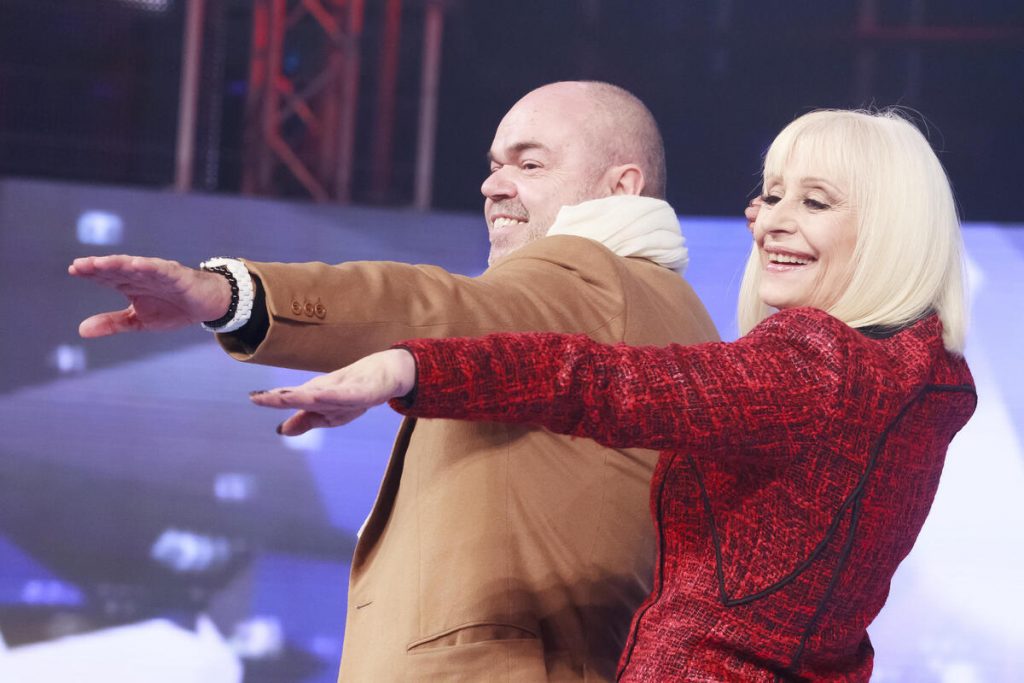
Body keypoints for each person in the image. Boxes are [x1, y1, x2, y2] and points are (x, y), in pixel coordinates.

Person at [250, 108, 977, 681]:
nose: (771, 220)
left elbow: (606, 382)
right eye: (771, 193)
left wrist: (412, 366)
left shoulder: (818, 364)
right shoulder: (925, 384)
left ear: (890, 231)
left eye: (815, 202)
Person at [70, 81, 719, 681]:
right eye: (495, 164)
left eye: (530, 164)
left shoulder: (598, 279)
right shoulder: (662, 315)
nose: (494, 184)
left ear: (621, 188)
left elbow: (434, 306)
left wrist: (232, 294)